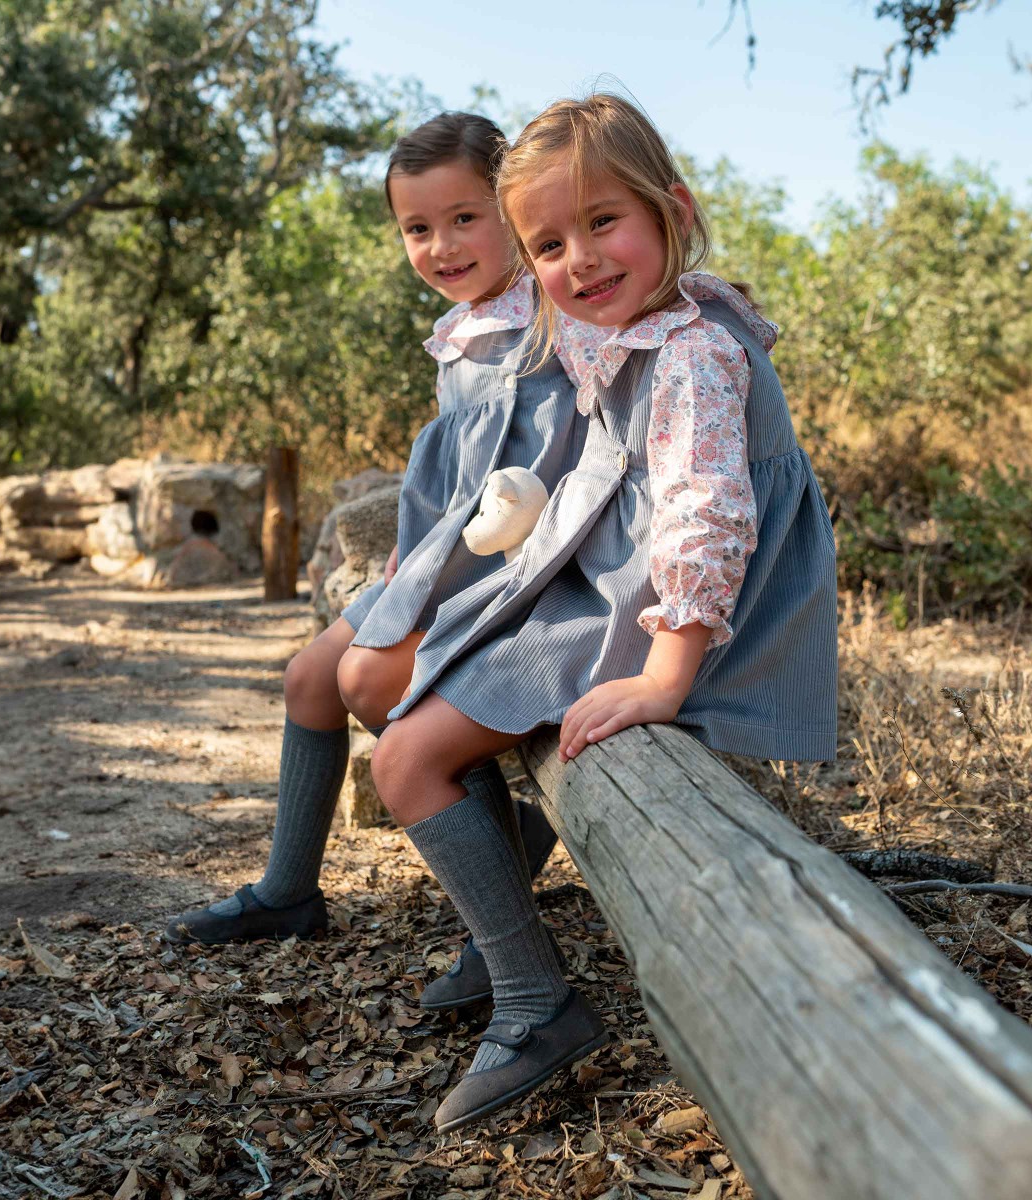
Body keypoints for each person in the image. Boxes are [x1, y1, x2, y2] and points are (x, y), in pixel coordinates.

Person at [362, 93, 838, 1134]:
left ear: (673, 209)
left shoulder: (693, 355)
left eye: (603, 222)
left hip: (670, 621)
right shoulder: (628, 324)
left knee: (405, 756)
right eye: (546, 243)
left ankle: (535, 1002)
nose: (578, 261)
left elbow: (706, 516)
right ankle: (503, 947)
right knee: (408, 687)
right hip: (616, 590)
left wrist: (666, 677)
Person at [165, 113, 604, 1021]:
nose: (441, 245)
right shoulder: (466, 330)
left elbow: (538, 493)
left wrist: (422, 586)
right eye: (417, 228)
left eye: (465, 218)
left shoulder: (552, 326)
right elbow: (452, 479)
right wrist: (404, 571)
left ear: (514, 210)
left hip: (514, 584)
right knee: (307, 680)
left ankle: (503, 905)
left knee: (370, 679)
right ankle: (290, 891)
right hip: (443, 563)